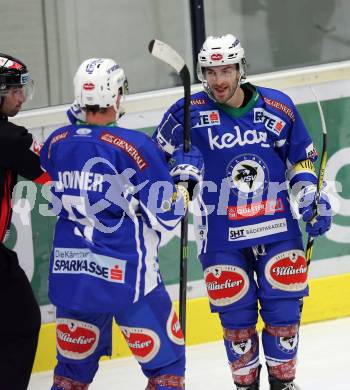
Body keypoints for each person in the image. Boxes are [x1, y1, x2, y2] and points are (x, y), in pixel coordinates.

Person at [152, 34, 332, 390]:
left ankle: (283, 384)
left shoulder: (277, 107)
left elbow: (299, 160)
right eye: (211, 71)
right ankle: (245, 386)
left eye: (226, 70)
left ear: (240, 69)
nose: (218, 79)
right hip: (220, 234)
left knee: (284, 317)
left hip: (277, 227)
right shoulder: (185, 113)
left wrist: (310, 194)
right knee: (236, 322)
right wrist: (179, 172)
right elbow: (155, 162)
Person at [40, 57, 204, 390]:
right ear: (116, 95)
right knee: (167, 370)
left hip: (73, 280)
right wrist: (186, 179)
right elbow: (169, 214)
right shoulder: (135, 147)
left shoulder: (56, 141)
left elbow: (71, 152)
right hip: (128, 282)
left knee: (70, 376)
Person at [0, 53, 49, 389]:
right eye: (14, 89)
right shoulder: (9, 138)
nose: (21, 96)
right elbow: (53, 173)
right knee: (23, 321)